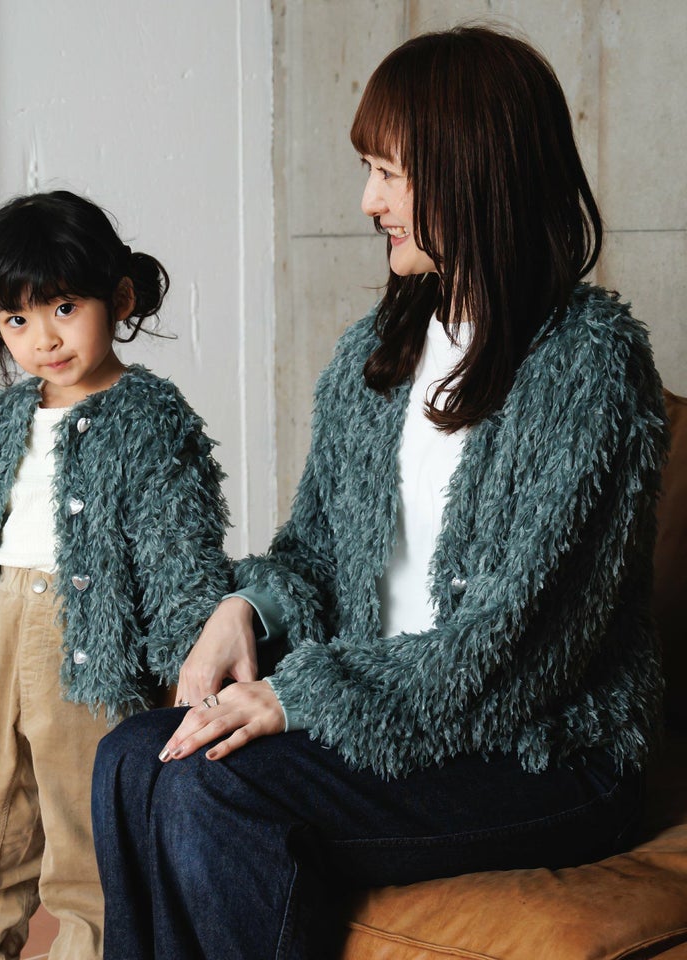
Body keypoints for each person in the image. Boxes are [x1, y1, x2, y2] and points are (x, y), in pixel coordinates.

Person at [91, 26, 668, 960]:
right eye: (370, 170)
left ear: (471, 172)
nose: (368, 201)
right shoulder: (377, 352)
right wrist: (246, 608)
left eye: (390, 173)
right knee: (129, 759)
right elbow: (314, 551)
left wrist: (300, 698)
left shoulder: (590, 366)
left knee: (213, 786)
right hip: (386, 707)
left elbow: (518, 648)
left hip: (542, 748)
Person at [0, 190, 232, 960]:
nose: (43, 338)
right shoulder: (4, 419)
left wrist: (183, 664)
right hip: (1, 637)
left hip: (88, 648)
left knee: (85, 843)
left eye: (63, 308)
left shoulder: (149, 416)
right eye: (17, 319)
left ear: (119, 300)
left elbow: (180, 548)